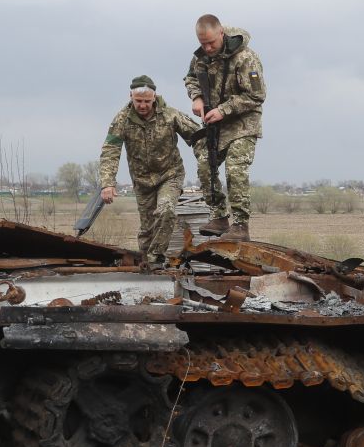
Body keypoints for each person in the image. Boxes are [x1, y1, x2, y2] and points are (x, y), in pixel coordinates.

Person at [99, 75, 202, 267]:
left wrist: (206, 163)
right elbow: (110, 150)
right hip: (142, 181)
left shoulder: (170, 115)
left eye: (147, 101)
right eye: (138, 101)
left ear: (154, 97)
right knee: (147, 229)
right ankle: (146, 266)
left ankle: (156, 259)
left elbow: (198, 136)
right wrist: (107, 183)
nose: (143, 105)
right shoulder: (122, 120)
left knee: (165, 210)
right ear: (131, 96)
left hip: (170, 175)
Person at [183, 14, 266, 242]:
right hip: (215, 125)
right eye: (203, 43)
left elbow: (257, 95)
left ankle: (240, 225)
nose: (208, 48)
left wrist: (224, 109)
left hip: (243, 123)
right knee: (205, 166)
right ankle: (219, 217)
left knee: (235, 168)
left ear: (221, 33)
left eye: (211, 42)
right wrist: (197, 97)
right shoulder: (201, 57)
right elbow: (190, 78)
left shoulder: (245, 57)